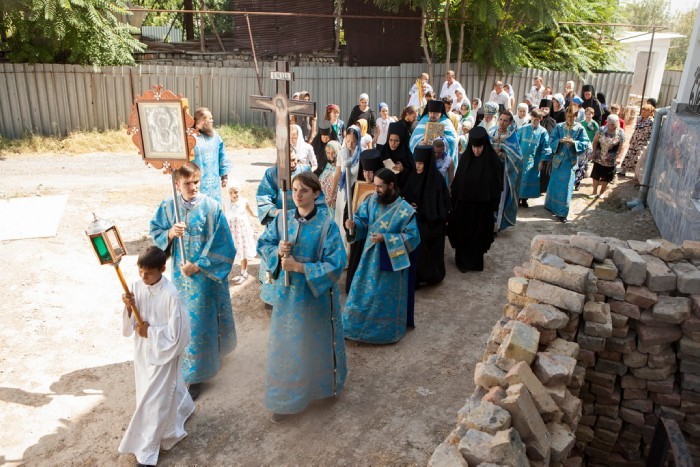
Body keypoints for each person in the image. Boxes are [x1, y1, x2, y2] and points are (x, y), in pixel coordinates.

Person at [257, 171, 347, 423]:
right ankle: (286, 400)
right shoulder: (282, 220)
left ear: (316, 194)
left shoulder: (327, 226)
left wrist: (299, 267)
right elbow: (263, 244)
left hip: (315, 299)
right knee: (288, 345)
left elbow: (336, 263)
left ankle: (322, 389)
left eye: (304, 190)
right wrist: (277, 251)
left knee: (315, 342)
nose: (297, 195)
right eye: (295, 190)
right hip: (287, 297)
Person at [150, 162, 237, 401]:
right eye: (187, 183)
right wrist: (170, 233)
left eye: (196, 182)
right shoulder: (169, 207)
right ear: (177, 184)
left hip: (206, 277)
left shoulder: (212, 207)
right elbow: (155, 231)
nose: (193, 187)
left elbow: (223, 243)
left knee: (202, 321)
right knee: (184, 320)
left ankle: (197, 375)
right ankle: (192, 368)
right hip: (181, 277)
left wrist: (198, 265)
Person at [118, 246, 194, 467]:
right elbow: (131, 323)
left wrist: (150, 332)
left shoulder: (171, 295)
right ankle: (184, 407)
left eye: (149, 273)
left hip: (164, 353)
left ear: (162, 269)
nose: (144, 277)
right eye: (140, 272)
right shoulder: (135, 287)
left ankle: (147, 450)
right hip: (143, 351)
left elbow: (178, 333)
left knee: (155, 400)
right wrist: (129, 307)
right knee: (148, 391)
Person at [343, 168, 420, 344]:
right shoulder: (371, 201)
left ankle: (384, 332)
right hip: (368, 260)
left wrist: (386, 239)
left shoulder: (405, 210)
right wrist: (354, 225)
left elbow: (413, 238)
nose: (376, 190)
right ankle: (355, 328)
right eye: (375, 185)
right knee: (362, 293)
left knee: (383, 297)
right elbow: (363, 221)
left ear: (391, 185)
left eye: (380, 186)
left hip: (391, 262)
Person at [447, 126, 503, 272]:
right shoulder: (465, 158)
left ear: (485, 145)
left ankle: (476, 263)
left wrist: (493, 206)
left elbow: (497, 186)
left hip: (482, 209)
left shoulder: (493, 162)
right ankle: (462, 262)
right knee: (463, 233)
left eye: (479, 148)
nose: (476, 151)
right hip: (464, 207)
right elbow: (458, 183)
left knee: (478, 235)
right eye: (473, 147)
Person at [403, 145, 450, 286]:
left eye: (421, 163)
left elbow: (440, 208)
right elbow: (406, 195)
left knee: (421, 239)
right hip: (413, 220)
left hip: (432, 222)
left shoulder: (437, 180)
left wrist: (421, 209)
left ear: (428, 163)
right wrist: (409, 205)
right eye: (416, 162)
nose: (417, 166)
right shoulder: (413, 176)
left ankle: (430, 275)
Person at [540, 106, 590, 222]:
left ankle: (562, 212)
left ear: (576, 116)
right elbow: (551, 140)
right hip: (558, 161)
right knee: (554, 184)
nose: (570, 118)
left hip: (569, 162)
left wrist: (574, 143)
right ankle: (551, 206)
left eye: (572, 116)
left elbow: (586, 143)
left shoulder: (580, 128)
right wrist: (559, 141)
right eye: (568, 116)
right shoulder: (559, 126)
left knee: (566, 187)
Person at [488, 110, 523, 231]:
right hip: (490, 172)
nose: (502, 123)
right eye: (501, 119)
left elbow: (518, 157)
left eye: (505, 121)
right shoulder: (491, 133)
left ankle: (496, 225)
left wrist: (504, 154)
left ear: (510, 123)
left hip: (504, 173)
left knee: (500, 197)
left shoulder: (511, 137)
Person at [192, 107, 231, 204]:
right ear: (202, 120)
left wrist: (224, 175)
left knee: (214, 207)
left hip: (214, 184)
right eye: (210, 119)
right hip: (196, 182)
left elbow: (222, 154)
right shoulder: (191, 137)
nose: (212, 121)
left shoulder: (215, 136)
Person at [333, 126, 362, 253]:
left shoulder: (362, 155)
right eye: (348, 141)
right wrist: (332, 194)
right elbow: (337, 174)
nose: (350, 145)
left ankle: (351, 251)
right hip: (343, 192)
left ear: (358, 140)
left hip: (356, 192)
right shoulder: (342, 153)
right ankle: (342, 252)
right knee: (341, 221)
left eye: (353, 142)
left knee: (351, 221)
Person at [409, 99, 459, 168]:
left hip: (441, 162)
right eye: (430, 113)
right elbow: (414, 139)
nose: (432, 115)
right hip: (425, 159)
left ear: (441, 113)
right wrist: (421, 142)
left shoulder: (446, 122)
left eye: (435, 113)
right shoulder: (423, 120)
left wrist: (443, 141)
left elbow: (453, 140)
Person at [225, 181, 257, 285]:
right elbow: (225, 216)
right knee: (231, 251)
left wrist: (261, 216)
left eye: (236, 192)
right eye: (231, 193)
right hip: (232, 231)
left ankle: (244, 272)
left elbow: (252, 213)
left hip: (242, 231)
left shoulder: (244, 202)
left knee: (243, 250)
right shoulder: (227, 203)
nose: (233, 195)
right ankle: (225, 273)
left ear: (239, 191)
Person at [517, 109, 550, 207]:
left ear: (541, 119)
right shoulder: (523, 129)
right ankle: (517, 198)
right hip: (521, 160)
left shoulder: (543, 132)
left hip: (534, 161)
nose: (535, 121)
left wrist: (542, 162)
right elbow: (516, 143)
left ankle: (524, 199)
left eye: (537, 120)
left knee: (529, 179)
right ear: (531, 117)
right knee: (519, 179)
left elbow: (546, 147)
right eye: (533, 119)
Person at [589, 114, 624, 200]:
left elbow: (622, 146)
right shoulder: (601, 130)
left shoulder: (620, 132)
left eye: (613, 124)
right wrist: (593, 152)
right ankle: (594, 192)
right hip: (599, 155)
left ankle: (602, 192)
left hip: (611, 158)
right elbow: (595, 141)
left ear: (617, 123)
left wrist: (619, 157)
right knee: (596, 174)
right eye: (609, 123)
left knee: (606, 176)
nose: (611, 126)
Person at [619, 104, 655, 180]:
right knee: (630, 154)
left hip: (643, 142)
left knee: (638, 158)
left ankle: (636, 174)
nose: (643, 112)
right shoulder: (639, 119)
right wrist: (632, 138)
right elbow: (636, 130)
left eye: (646, 111)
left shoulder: (651, 121)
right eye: (643, 110)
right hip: (635, 140)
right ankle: (623, 170)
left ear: (650, 112)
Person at [380, 122, 415, 189]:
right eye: (391, 140)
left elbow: (413, 174)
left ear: (401, 141)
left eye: (396, 141)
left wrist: (403, 170)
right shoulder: (383, 152)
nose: (393, 143)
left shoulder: (407, 155)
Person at [318, 140, 341, 214]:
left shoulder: (341, 168)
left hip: (335, 202)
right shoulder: (328, 165)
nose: (330, 155)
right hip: (324, 202)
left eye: (333, 153)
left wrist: (332, 197)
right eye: (328, 153)